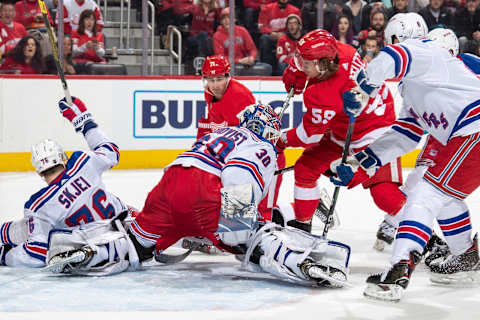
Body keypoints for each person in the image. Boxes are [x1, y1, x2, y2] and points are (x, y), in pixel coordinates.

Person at [330, 13, 480, 302]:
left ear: (397, 37)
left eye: (391, 40)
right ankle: (465, 255)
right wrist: (359, 162)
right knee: (444, 195)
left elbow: (391, 58)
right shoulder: (413, 85)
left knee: (424, 194)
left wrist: (362, 89)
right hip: (466, 134)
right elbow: (404, 135)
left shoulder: (426, 51)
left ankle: (399, 269)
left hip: (473, 130)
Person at [125, 103, 350, 287]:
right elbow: (238, 174)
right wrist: (237, 230)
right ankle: (299, 261)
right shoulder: (262, 144)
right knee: (253, 237)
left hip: (168, 187)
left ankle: (97, 252)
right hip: (204, 196)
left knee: (135, 244)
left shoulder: (221, 132)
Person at [279, 29, 405, 235]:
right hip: (347, 127)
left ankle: (428, 238)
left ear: (321, 65)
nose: (301, 64)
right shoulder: (341, 51)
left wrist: (281, 139)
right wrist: (298, 70)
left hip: (377, 131)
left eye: (305, 62)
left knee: (384, 194)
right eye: (300, 60)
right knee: (306, 168)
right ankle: (302, 227)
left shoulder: (322, 93)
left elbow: (308, 136)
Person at [0, 96, 138, 276]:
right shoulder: (83, 162)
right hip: (121, 223)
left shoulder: (38, 205)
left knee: (32, 229)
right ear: (63, 158)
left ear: (40, 173)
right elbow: (111, 151)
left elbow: (36, 254)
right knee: (135, 222)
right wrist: (83, 120)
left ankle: (91, 253)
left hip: (88, 237)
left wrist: (5, 255)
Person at [197, 55, 285, 223]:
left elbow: (254, 138)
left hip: (264, 159)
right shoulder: (209, 93)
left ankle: (303, 207)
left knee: (261, 215)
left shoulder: (239, 96)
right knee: (234, 209)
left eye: (219, 79)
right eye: (210, 79)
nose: (215, 85)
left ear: (228, 76)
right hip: (239, 157)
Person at [213, 8, 272, 76]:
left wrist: (251, 58)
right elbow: (220, 57)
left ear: (234, 19)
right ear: (221, 21)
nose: (227, 21)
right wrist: (238, 60)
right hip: (228, 66)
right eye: (224, 19)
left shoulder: (242, 30)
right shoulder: (217, 36)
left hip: (244, 64)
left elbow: (252, 49)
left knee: (268, 68)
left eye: (229, 18)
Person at [258, 0, 301, 74]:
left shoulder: (295, 10)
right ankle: (266, 69)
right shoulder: (267, 9)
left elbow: (298, 27)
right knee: (264, 39)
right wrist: (271, 33)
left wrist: (285, 34)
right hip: (272, 36)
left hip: (288, 36)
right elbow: (261, 26)